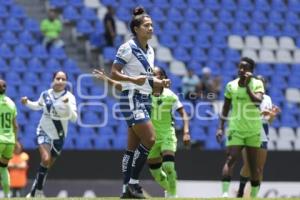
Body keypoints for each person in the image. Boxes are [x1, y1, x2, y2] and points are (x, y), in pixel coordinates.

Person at [93, 67, 190, 198]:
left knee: (168, 165)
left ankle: (173, 195)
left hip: (168, 135)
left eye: (155, 75)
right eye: (151, 75)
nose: (151, 77)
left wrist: (186, 132)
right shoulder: (144, 92)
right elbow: (121, 87)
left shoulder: (170, 95)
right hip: (151, 138)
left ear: (161, 77)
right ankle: (169, 190)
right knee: (156, 173)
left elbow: (183, 113)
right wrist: (106, 79)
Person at [109, 7, 171, 198]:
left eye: (151, 25)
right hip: (131, 97)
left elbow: (146, 78)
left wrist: (159, 82)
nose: (151, 28)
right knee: (150, 139)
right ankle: (134, 184)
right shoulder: (127, 47)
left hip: (146, 99)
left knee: (131, 148)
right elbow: (114, 72)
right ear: (136, 28)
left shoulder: (150, 50)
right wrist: (131, 80)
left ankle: (125, 190)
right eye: (146, 25)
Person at [21, 71, 77, 197]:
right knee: (45, 159)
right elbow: (37, 105)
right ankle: (39, 192)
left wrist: (67, 105)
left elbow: (74, 118)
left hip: (59, 135)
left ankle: (34, 191)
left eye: (63, 79)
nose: (61, 81)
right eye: (58, 78)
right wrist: (27, 102)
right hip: (43, 130)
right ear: (53, 80)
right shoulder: (45, 94)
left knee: (47, 165)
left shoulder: (70, 97)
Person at [216, 57, 264, 198]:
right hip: (236, 129)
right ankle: (225, 193)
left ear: (251, 71)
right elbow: (225, 108)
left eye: (245, 68)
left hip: (253, 130)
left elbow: (258, 101)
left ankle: (253, 196)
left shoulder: (257, 83)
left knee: (252, 164)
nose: (241, 70)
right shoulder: (231, 85)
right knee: (231, 159)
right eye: (240, 67)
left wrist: (247, 87)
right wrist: (220, 127)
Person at [236, 75, 280, 198]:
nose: (261, 85)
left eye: (263, 83)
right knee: (249, 166)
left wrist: (272, 115)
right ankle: (241, 191)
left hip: (262, 133)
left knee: (259, 168)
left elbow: (268, 121)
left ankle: (254, 196)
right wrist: (261, 113)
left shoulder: (267, 98)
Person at [0, 79, 18, 198]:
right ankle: (6, 195)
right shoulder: (11, 103)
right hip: (10, 141)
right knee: (3, 168)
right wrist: (16, 141)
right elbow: (15, 125)